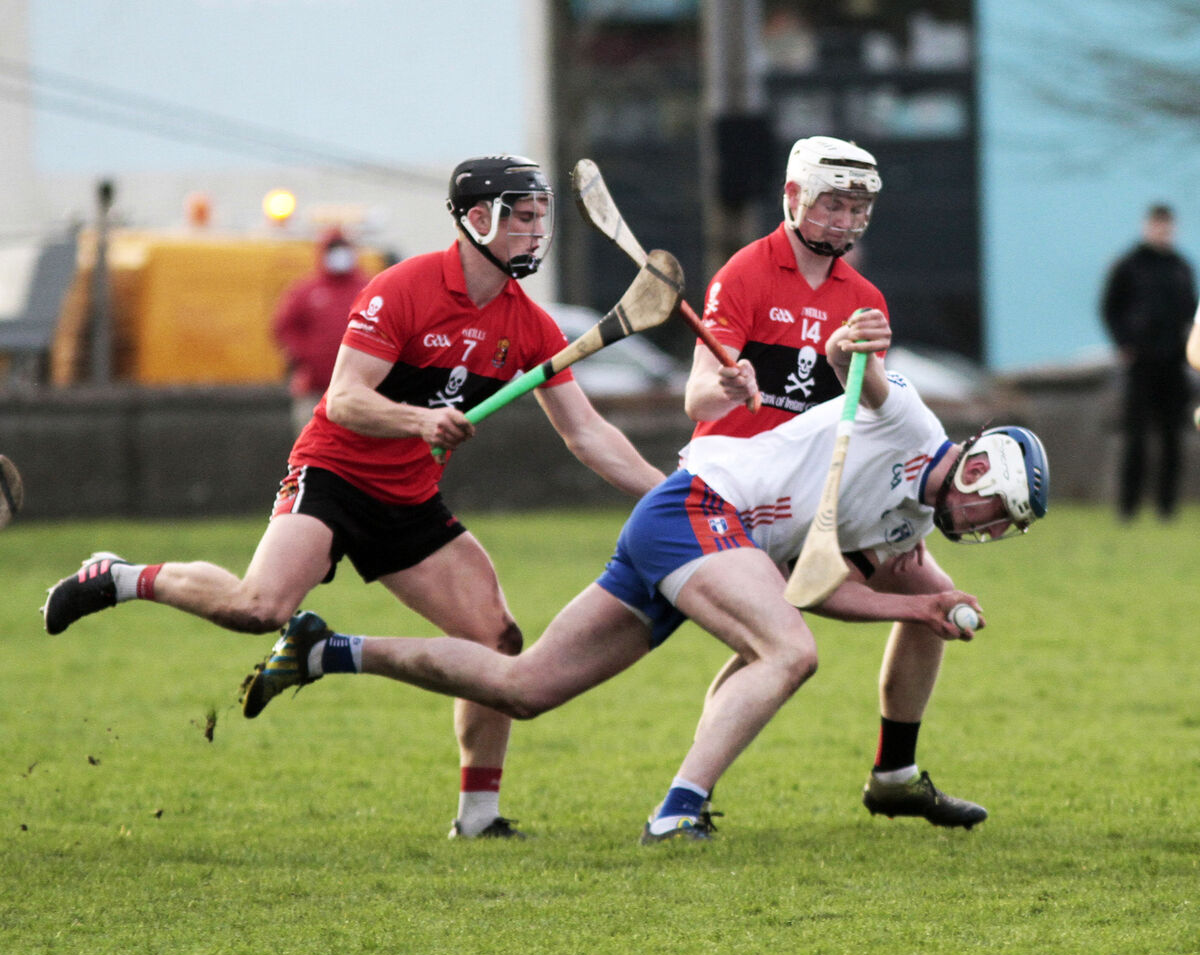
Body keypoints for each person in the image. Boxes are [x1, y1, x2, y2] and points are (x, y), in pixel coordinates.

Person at [236, 310, 1049, 843]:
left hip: (703, 533)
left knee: (527, 688)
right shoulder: (912, 421)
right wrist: (851, 347)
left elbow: (815, 588)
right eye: (998, 514)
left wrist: (926, 605)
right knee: (787, 654)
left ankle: (325, 651)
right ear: (978, 472)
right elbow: (862, 372)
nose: (991, 531)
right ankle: (680, 809)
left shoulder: (906, 524)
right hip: (698, 506)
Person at [41, 154, 667, 839]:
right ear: (478, 218)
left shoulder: (528, 323)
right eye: (523, 216)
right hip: (334, 478)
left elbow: (588, 434)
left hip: (409, 501)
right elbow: (343, 400)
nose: (535, 231)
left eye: (540, 217)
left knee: (496, 640)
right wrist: (418, 420)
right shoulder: (403, 289)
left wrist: (672, 496)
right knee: (259, 608)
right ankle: (121, 577)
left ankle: (479, 817)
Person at [682, 135, 985, 827]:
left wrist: (898, 520)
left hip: (823, 492)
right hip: (735, 492)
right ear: (793, 197)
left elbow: (881, 413)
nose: (847, 220)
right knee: (769, 647)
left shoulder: (865, 296)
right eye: (834, 204)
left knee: (936, 598)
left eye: (858, 207)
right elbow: (698, 401)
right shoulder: (745, 273)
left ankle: (895, 774)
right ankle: (688, 793)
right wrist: (729, 387)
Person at [1101, 203, 1197, 520]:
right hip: (1140, 363)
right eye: (1157, 226)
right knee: (1136, 438)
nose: (1162, 232)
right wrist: (1124, 343)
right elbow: (1110, 307)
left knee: (1172, 437)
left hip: (1173, 363)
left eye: (1167, 227)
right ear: (1147, 226)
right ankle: (1128, 508)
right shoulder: (1129, 266)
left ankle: (1167, 508)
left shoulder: (1181, 267)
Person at [272, 227, 374, 436]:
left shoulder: (368, 289)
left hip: (359, 391)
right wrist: (304, 355)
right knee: (312, 448)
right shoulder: (307, 291)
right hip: (314, 389)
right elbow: (284, 326)